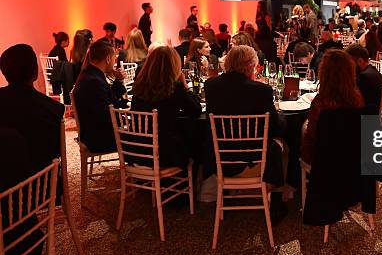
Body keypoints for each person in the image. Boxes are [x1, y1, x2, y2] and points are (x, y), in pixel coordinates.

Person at [204, 45, 285, 186]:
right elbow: (275, 127)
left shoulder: (210, 85)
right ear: (250, 65)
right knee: (280, 141)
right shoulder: (261, 90)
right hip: (253, 156)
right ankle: (277, 193)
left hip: (219, 154)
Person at [130, 46, 201, 168]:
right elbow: (195, 111)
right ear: (174, 65)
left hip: (137, 151)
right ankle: (194, 182)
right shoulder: (174, 88)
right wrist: (185, 86)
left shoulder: (139, 86)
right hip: (165, 154)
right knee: (198, 142)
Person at [0, 44, 64, 175]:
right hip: (40, 187)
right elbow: (56, 155)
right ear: (35, 73)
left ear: (4, 73)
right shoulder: (54, 109)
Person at [301, 49, 364, 165]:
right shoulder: (357, 99)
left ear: (323, 73)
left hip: (324, 161)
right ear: (350, 72)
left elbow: (312, 137)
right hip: (352, 159)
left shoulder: (320, 103)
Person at [72, 41, 127, 153]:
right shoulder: (94, 81)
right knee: (140, 136)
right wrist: (127, 119)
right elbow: (106, 116)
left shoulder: (90, 73)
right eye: (114, 58)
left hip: (93, 132)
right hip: (97, 138)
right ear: (107, 59)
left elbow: (110, 99)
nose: (114, 62)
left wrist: (119, 80)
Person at [346, 44, 382, 112]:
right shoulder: (373, 71)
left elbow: (357, 103)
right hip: (374, 116)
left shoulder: (364, 77)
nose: (348, 66)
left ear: (360, 61)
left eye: (350, 63)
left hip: (367, 120)